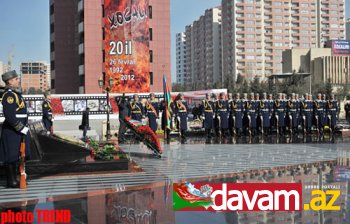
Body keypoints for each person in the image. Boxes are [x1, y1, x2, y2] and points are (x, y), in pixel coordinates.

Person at [0, 70, 31, 188]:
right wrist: (20, 128)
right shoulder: (9, 95)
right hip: (13, 131)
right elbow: (10, 115)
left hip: (19, 129)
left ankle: (17, 178)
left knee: (20, 154)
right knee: (11, 156)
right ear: (10, 81)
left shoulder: (16, 94)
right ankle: (11, 181)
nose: (18, 80)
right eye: (16, 79)